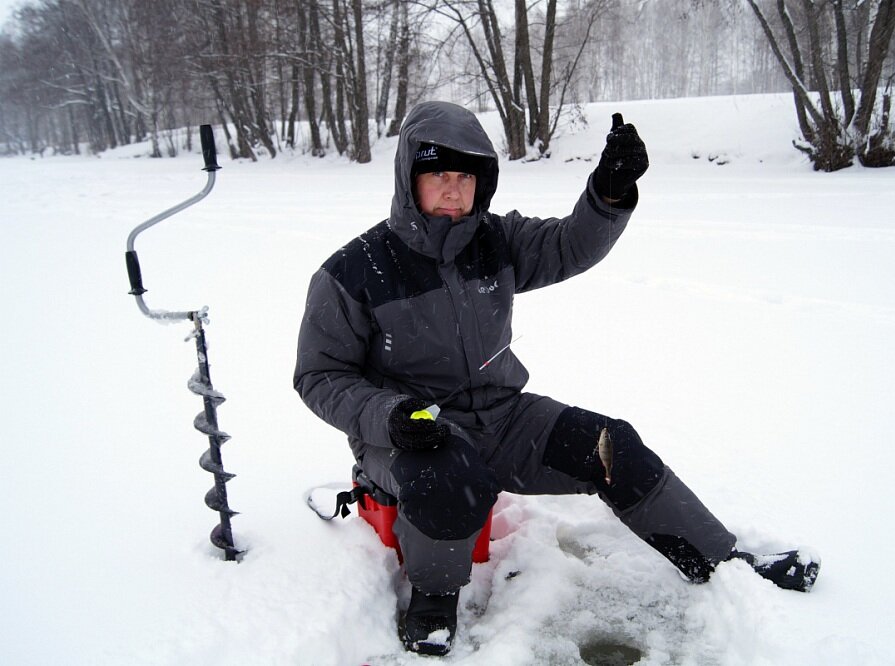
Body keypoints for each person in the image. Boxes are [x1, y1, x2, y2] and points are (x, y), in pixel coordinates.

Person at [294, 101, 819, 656]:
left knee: (611, 445)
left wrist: (608, 193)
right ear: (409, 179)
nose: (453, 190)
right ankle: (433, 595)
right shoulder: (353, 270)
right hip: (414, 431)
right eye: (438, 176)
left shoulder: (495, 239)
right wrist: (391, 417)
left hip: (504, 418)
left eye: (465, 177)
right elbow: (319, 376)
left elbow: (571, 243)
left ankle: (718, 558)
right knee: (446, 477)